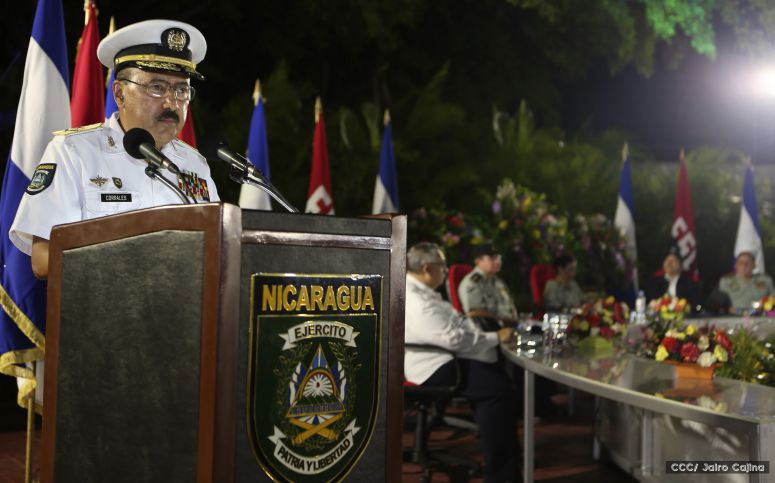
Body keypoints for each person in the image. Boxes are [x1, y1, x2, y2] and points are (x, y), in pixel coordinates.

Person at [9, 20, 219, 279]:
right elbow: (43, 259)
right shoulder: (75, 152)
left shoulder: (195, 164)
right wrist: (132, 265)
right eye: (157, 88)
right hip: (104, 302)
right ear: (119, 94)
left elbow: (218, 249)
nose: (171, 102)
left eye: (181, 90)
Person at [404, 242, 519, 482]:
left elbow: (458, 323)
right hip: (432, 366)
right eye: (442, 266)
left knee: (495, 378)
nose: (446, 272)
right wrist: (494, 338)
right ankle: (503, 476)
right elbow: (452, 337)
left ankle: (505, 467)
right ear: (426, 268)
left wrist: (484, 338)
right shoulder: (415, 299)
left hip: (444, 356)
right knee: (496, 389)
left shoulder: (423, 291)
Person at [458, 243, 518, 328]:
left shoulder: (498, 281)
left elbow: (511, 306)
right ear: (478, 261)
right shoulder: (472, 282)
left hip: (510, 327)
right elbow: (474, 312)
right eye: (492, 258)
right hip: (490, 329)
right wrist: (501, 321)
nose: (497, 261)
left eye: (499, 258)